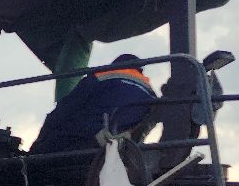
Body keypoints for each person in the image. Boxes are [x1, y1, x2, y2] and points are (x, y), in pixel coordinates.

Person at [27, 54, 157, 155]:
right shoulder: (151, 93)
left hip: (87, 137)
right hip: (124, 146)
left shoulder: (102, 75)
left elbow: (67, 107)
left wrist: (41, 139)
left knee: (42, 154)